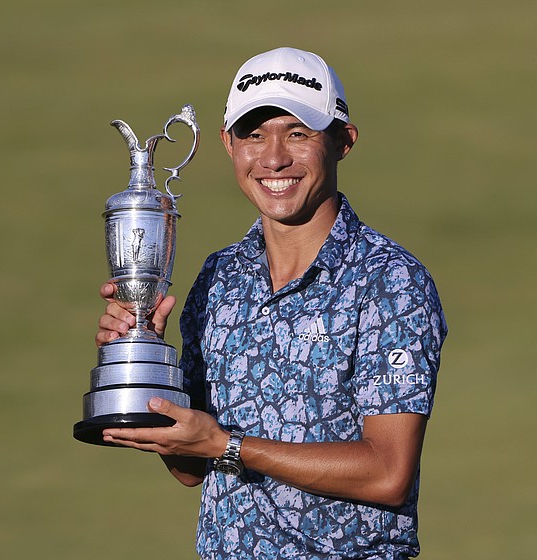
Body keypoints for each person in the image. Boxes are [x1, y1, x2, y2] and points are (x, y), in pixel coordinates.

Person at [96, 47, 447, 560]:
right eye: (253, 134)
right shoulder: (219, 278)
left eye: (298, 133)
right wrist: (143, 357)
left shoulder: (390, 281)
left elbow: (388, 473)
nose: (273, 157)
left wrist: (227, 446)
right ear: (227, 144)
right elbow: (190, 468)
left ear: (342, 141)